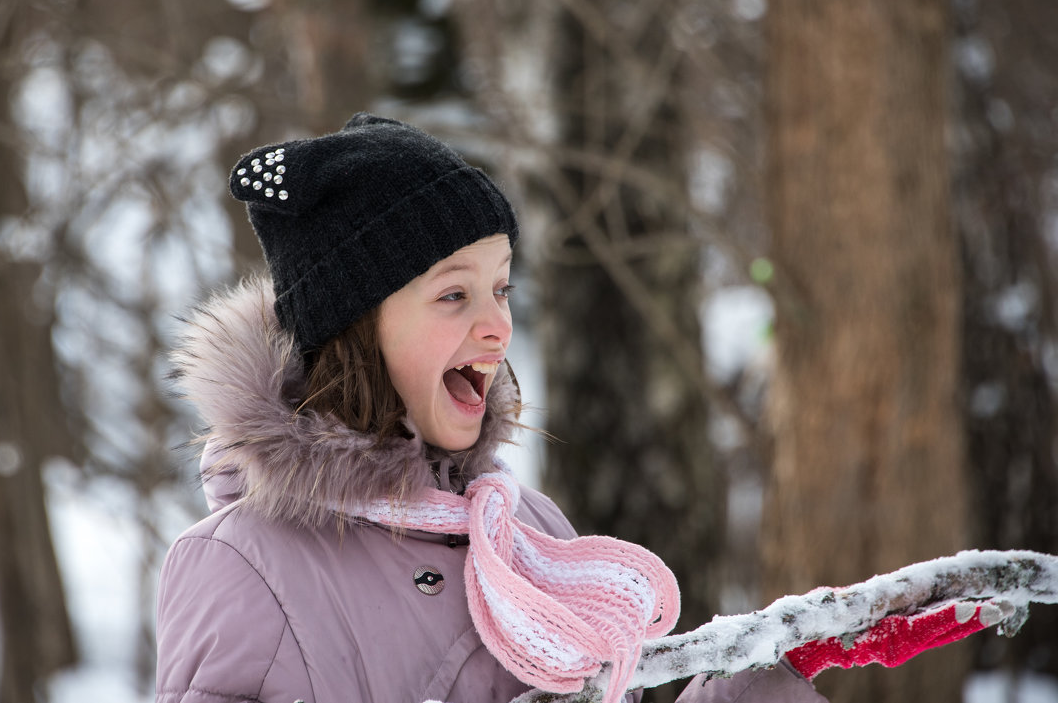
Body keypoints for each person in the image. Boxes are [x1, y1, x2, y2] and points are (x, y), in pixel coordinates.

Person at [154, 114, 984, 703]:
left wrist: (783, 662)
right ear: (352, 327)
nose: (497, 323)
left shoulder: (523, 531)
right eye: (453, 294)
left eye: (502, 287)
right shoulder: (241, 564)